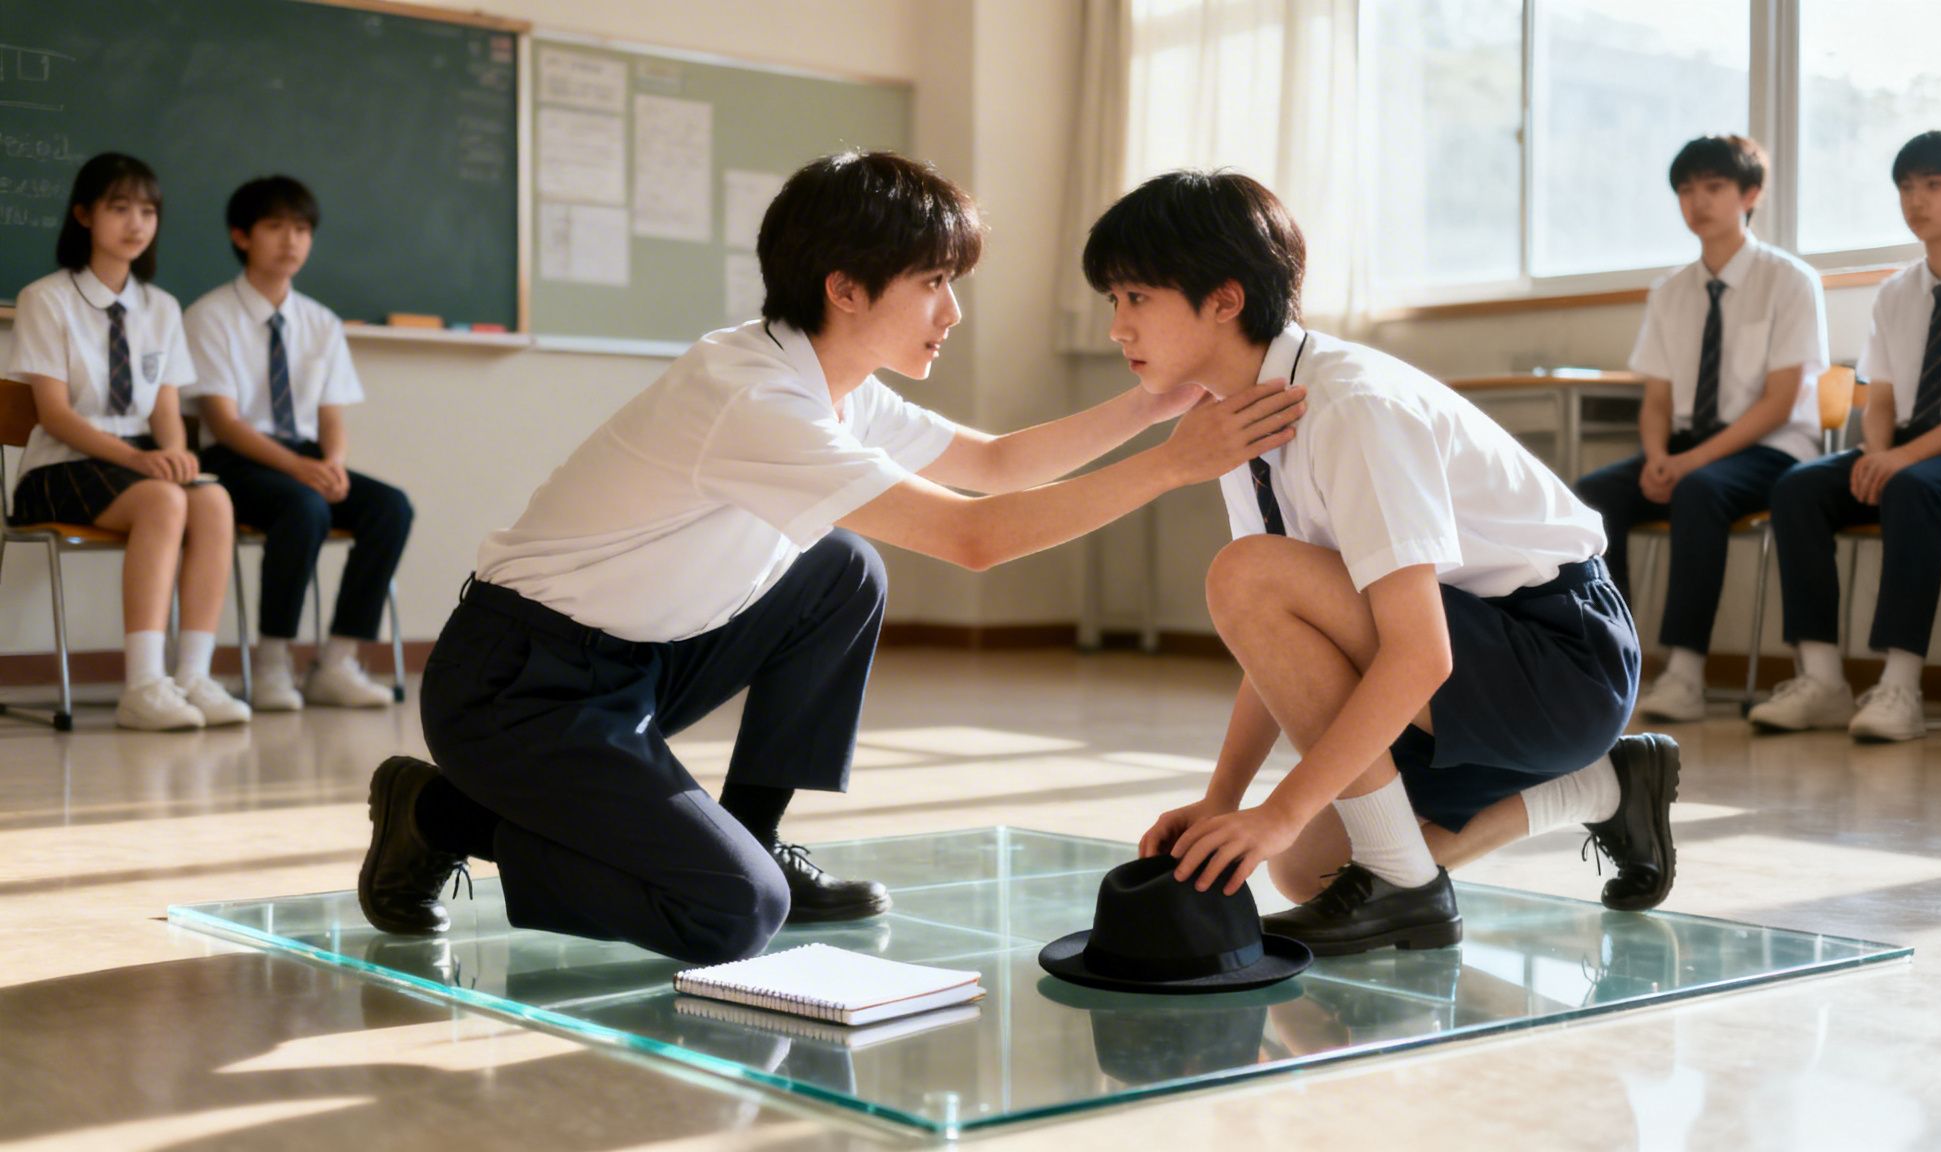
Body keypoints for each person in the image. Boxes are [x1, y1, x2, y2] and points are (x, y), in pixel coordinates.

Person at [356, 151, 1305, 963]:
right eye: (933, 284)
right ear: (844, 290)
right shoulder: (754, 398)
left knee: (841, 570)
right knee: (733, 912)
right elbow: (973, 539)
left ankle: (758, 832)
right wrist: (1173, 468)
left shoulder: (833, 378)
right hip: (517, 689)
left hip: (634, 663)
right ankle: (439, 815)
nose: (953, 312)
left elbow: (994, 465)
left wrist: (1154, 404)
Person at [1102, 170, 1680, 957]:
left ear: (1225, 299)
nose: (1117, 328)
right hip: (1469, 663)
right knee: (1307, 871)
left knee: (1247, 578)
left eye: (1135, 299)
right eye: (1113, 302)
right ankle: (1605, 786)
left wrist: (1278, 811)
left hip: (1561, 660)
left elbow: (1418, 651)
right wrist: (1221, 801)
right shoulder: (1239, 418)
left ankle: (1409, 893)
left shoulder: (1351, 405)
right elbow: (1275, 638)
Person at [1750, 129, 1941, 741]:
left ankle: (1900, 685)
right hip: (1907, 447)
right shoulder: (1894, 292)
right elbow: (1879, 400)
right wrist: (1880, 452)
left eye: (1932, 185)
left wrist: (1901, 460)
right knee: (1798, 488)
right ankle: (1824, 680)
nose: (1915, 200)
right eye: (1906, 188)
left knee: (1912, 487)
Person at [1575, 135, 1825, 722]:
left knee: (1698, 490)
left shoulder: (1790, 280)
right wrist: (1659, 453)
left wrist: (1687, 464)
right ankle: (1615, 660)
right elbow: (1657, 398)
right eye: (1686, 191)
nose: (1698, 202)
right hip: (1688, 448)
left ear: (1750, 194)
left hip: (1771, 446)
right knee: (1592, 497)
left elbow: (1781, 401)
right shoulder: (1670, 291)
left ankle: (1685, 671)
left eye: (1714, 188)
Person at [6, 153, 248, 731]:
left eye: (148, 210)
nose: (136, 223)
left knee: (210, 498)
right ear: (84, 215)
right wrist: (144, 461)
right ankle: (142, 683)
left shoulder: (161, 307)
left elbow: (165, 407)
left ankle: (192, 675)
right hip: (58, 470)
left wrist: (176, 455)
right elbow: (55, 416)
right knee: (165, 499)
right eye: (120, 208)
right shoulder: (47, 297)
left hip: (132, 468)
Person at [185, 175, 413, 711]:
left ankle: (336, 661)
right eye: (275, 227)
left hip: (302, 457)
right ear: (241, 236)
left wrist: (332, 462)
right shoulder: (208, 315)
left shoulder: (321, 322)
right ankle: (270, 666)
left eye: (302, 229)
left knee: (391, 507)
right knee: (303, 506)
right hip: (235, 460)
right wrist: (301, 469)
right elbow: (224, 421)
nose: (291, 240)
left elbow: (330, 414)